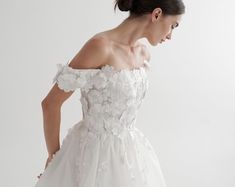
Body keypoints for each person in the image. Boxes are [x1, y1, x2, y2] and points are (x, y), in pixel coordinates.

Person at [35, 0, 185, 186]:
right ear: (156, 14)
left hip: (131, 157)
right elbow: (50, 103)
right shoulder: (100, 47)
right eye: (173, 26)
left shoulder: (143, 54)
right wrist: (53, 157)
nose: (170, 35)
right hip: (91, 156)